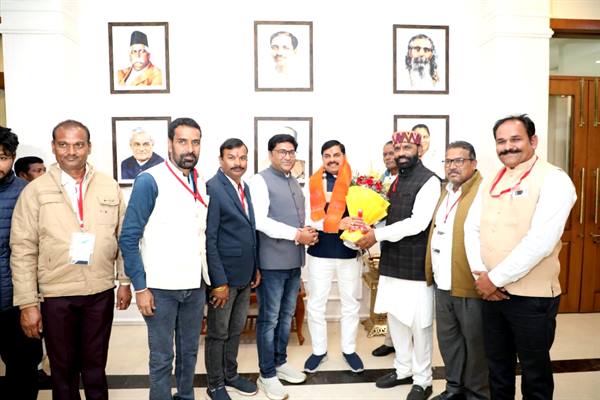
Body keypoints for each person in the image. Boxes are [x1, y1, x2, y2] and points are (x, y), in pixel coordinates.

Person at [10, 119, 132, 400]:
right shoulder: (35, 190)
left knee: (96, 368)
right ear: (54, 147)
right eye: (63, 145)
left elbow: (123, 238)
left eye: (78, 145)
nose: (71, 152)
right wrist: (27, 303)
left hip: (99, 291)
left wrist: (124, 281)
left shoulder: (108, 185)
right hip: (56, 294)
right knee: (63, 371)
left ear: (89, 147)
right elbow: (23, 249)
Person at [464, 114, 576, 400]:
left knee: (534, 373)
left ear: (533, 141)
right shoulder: (491, 179)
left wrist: (494, 279)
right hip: (491, 294)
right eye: (501, 141)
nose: (507, 147)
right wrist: (480, 274)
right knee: (497, 368)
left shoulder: (554, 179)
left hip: (532, 298)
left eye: (515, 139)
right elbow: (471, 227)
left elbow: (540, 242)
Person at [119, 117, 210, 400]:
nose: (189, 149)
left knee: (189, 352)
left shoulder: (199, 180)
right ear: (170, 144)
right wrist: (140, 288)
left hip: (194, 285)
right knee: (161, 357)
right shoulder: (150, 180)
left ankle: (186, 396)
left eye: (195, 142)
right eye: (182, 141)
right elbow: (128, 238)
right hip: (160, 288)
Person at [357, 131, 440, 400]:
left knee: (419, 325)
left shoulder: (430, 181)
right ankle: (403, 369)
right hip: (392, 262)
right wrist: (366, 226)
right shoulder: (394, 181)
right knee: (396, 319)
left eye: (407, 147)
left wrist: (377, 235)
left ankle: (423, 380)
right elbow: (388, 217)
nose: (401, 153)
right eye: (397, 148)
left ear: (419, 150)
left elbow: (418, 223)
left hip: (415, 266)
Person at [249, 133, 318, 400]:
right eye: (282, 151)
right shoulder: (260, 180)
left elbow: (298, 218)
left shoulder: (293, 181)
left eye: (291, 152)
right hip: (271, 263)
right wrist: (297, 234)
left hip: (293, 262)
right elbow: (260, 221)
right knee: (270, 319)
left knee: (286, 315)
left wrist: (309, 231)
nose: (287, 156)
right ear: (271, 154)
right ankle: (266, 374)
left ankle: (280, 362)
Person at [424, 141, 489, 400]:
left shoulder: (484, 191)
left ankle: (477, 394)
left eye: (459, 160)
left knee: (475, 344)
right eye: (448, 161)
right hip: (442, 280)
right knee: (449, 340)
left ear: (473, 163)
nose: (452, 166)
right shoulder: (446, 191)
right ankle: (454, 388)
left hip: (468, 282)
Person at [204, 138, 261, 400]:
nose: (238, 163)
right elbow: (210, 238)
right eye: (231, 157)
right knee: (218, 333)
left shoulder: (243, 186)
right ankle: (215, 383)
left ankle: (231, 374)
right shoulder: (213, 188)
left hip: (245, 274)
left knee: (235, 330)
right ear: (221, 160)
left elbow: (249, 230)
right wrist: (219, 282)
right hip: (224, 279)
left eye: (242, 157)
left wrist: (255, 267)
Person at [303, 140, 365, 374]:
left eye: (336, 155)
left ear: (343, 156)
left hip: (348, 250)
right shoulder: (312, 184)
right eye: (327, 155)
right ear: (322, 159)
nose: (331, 159)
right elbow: (309, 219)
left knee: (350, 303)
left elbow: (364, 214)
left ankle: (349, 350)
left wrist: (359, 222)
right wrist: (337, 223)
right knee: (316, 303)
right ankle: (319, 351)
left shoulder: (357, 182)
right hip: (320, 251)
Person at [0, 127, 41, 400]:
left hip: (17, 302)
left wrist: (32, 303)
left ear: (13, 158)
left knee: (23, 373)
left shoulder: (28, 193)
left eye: (2, 157)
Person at [371, 140, 397, 358]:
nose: (388, 157)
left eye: (391, 153)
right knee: (389, 295)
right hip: (385, 242)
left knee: (403, 300)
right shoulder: (381, 180)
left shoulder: (410, 179)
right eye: (384, 154)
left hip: (406, 245)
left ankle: (405, 343)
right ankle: (390, 341)